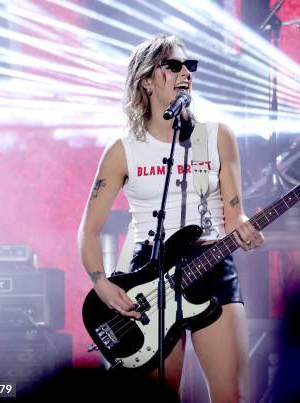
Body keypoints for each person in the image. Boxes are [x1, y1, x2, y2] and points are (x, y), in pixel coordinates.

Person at [77, 33, 264, 402]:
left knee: (232, 397)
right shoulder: (122, 150)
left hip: (210, 265)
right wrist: (101, 283)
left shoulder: (217, 137)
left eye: (189, 66)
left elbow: (234, 212)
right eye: (173, 66)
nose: (186, 73)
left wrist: (245, 228)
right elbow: (89, 229)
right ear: (145, 80)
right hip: (147, 276)